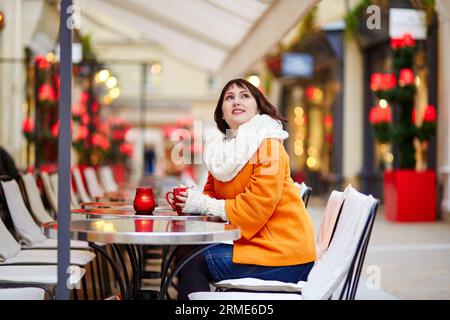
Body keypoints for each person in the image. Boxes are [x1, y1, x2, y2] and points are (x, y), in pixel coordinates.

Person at [174, 79, 316, 300]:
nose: (236, 101)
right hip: (256, 247)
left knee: (192, 260)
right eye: (229, 97)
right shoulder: (221, 153)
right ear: (222, 113)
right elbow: (210, 196)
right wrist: (190, 201)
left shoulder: (270, 146)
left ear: (258, 108)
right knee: (183, 250)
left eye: (244, 96)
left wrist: (201, 204)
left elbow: (253, 211)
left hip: (285, 256)